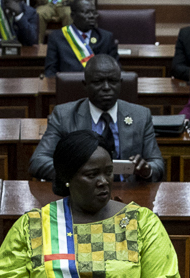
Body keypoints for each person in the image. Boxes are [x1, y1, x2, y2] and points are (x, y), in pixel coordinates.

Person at [0, 129, 179, 278]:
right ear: (67, 178)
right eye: (92, 174)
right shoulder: (33, 226)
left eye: (108, 172)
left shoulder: (141, 222)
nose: (103, 181)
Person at [28, 52, 163, 182]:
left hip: (128, 191)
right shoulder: (64, 115)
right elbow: (38, 161)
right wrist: (77, 174)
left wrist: (147, 170)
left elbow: (157, 163)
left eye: (112, 81)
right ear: (85, 85)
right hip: (82, 195)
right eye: (98, 82)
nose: (106, 88)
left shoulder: (141, 115)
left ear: (120, 83)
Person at [41, 0, 118, 78]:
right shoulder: (57, 37)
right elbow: (50, 71)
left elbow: (116, 70)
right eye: (86, 13)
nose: (92, 16)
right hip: (68, 86)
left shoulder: (106, 37)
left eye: (94, 12)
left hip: (98, 87)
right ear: (73, 16)